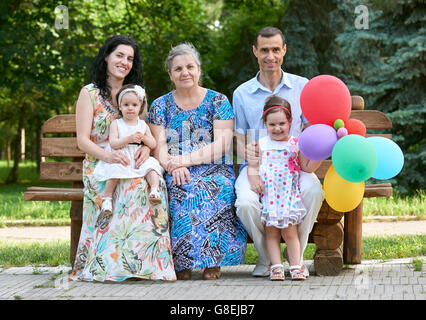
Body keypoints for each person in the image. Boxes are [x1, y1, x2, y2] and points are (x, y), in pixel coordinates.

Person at [69, 35, 176, 282]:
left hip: (132, 161)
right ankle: (109, 265)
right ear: (106, 56)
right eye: (119, 55)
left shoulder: (136, 93)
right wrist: (110, 156)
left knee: (150, 185)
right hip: (100, 164)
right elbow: (83, 140)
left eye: (130, 58)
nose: (124, 62)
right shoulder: (90, 93)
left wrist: (147, 151)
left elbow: (144, 132)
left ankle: (148, 265)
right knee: (126, 188)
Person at [148, 43, 247, 280]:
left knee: (215, 187)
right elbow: (158, 146)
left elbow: (222, 145)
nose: (185, 72)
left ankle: (212, 261)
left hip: (212, 165)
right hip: (173, 166)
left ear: (199, 69)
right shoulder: (160, 105)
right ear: (170, 74)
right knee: (179, 186)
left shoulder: (218, 101)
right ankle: (182, 262)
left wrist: (185, 160)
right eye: (178, 68)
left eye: (190, 67)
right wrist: (173, 165)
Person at [232, 26, 325, 277]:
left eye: (275, 49)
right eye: (264, 50)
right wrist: (252, 166)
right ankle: (267, 260)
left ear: (284, 50)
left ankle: (296, 258)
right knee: (246, 202)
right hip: (257, 166)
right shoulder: (242, 93)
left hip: (292, 165)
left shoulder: (302, 86)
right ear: (255, 52)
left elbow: (310, 131)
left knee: (313, 190)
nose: (270, 56)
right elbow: (238, 138)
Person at [248, 95, 321, 281]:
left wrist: (321, 153)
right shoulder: (261, 145)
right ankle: (277, 267)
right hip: (270, 196)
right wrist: (255, 180)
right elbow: (252, 167)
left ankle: (296, 266)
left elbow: (306, 167)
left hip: (288, 196)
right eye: (272, 125)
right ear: (265, 124)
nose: (277, 128)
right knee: (271, 233)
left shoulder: (295, 144)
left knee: (290, 232)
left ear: (290, 121)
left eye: (282, 123)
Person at [93, 84, 164, 211]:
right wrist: (129, 139)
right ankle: (107, 199)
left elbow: (153, 144)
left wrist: (143, 138)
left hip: (137, 157)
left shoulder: (142, 125)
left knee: (152, 166)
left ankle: (154, 190)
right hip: (122, 155)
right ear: (120, 107)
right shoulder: (116, 124)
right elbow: (114, 143)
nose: (130, 108)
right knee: (114, 170)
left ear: (140, 107)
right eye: (126, 105)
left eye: (134, 105)